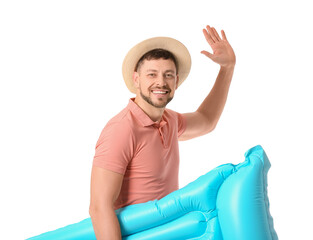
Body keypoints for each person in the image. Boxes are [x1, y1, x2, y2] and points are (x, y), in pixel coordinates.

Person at [89, 25, 236, 240]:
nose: (161, 82)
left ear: (176, 81)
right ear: (136, 79)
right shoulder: (121, 129)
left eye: (168, 75)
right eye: (152, 74)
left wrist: (227, 68)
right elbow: (99, 207)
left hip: (168, 232)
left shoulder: (169, 121)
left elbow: (206, 120)